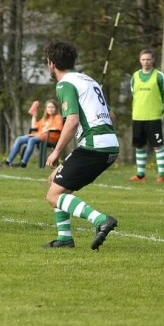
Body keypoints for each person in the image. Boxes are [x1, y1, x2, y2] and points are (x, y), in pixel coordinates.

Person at [41, 41, 118, 250]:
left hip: (94, 147)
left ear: (51, 64)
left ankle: (101, 220)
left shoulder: (65, 83)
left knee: (53, 196)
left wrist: (56, 151)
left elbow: (72, 120)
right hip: (108, 145)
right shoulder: (89, 81)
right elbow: (111, 115)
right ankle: (64, 238)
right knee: (54, 181)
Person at [129, 48, 164, 183]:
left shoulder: (159, 76)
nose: (146, 62)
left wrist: (160, 112)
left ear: (153, 60)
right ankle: (140, 174)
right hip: (138, 117)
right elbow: (133, 94)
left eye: (148, 59)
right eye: (143, 59)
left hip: (154, 117)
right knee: (140, 146)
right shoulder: (134, 76)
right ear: (140, 60)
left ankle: (161, 175)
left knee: (158, 146)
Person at [0, 99, 63, 168]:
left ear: (56, 108)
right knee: (19, 139)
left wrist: (46, 130)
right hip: (40, 136)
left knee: (31, 140)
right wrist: (34, 115)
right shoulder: (45, 118)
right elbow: (33, 127)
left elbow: (57, 128)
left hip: (50, 137)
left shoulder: (58, 117)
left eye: (52, 107)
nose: (50, 109)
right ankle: (8, 162)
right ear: (46, 109)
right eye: (48, 107)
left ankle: (23, 163)